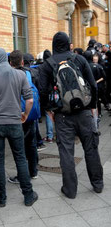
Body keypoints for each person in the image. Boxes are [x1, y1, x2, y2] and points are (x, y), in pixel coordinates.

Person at [39, 32, 104, 199]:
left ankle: (70, 190)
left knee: (66, 153)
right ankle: (97, 184)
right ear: (68, 44)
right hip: (83, 113)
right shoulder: (79, 59)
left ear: (53, 45)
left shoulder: (47, 65)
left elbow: (42, 92)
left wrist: (49, 111)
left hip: (62, 115)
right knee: (91, 149)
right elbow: (93, 86)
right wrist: (91, 107)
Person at [0, 47, 38, 208]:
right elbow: (30, 100)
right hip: (14, 122)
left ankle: (1, 198)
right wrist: (25, 115)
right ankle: (28, 195)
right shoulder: (20, 74)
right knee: (20, 158)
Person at [7, 50, 39, 184]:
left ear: (9, 62)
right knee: (31, 144)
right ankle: (34, 171)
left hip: (17, 115)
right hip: (31, 113)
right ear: (22, 61)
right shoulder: (32, 72)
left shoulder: (9, 76)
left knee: (19, 148)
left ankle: (22, 176)